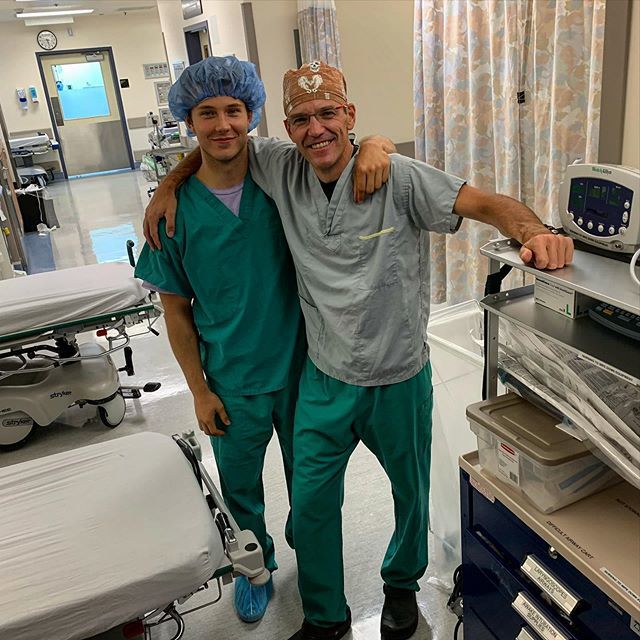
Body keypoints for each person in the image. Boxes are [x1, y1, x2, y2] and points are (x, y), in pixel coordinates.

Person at [144, 61, 574, 640]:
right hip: (324, 378)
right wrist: (168, 183)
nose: (315, 129)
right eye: (301, 118)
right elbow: (219, 145)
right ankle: (325, 615)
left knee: (409, 492)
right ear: (287, 128)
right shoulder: (281, 167)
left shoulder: (398, 177)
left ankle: (400, 587)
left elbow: (487, 204)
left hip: (398, 376)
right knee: (313, 506)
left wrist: (534, 232)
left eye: (328, 114)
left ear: (349, 114)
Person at [134, 56, 393, 626]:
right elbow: (175, 313)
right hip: (230, 378)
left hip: (307, 369)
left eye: (234, 110)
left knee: (315, 481)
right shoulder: (172, 216)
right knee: (241, 487)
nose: (222, 124)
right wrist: (198, 392)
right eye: (207, 113)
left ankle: (311, 537)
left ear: (252, 115)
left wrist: (377, 140)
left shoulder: (283, 180)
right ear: (189, 121)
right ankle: (256, 566)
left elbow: (343, 150)